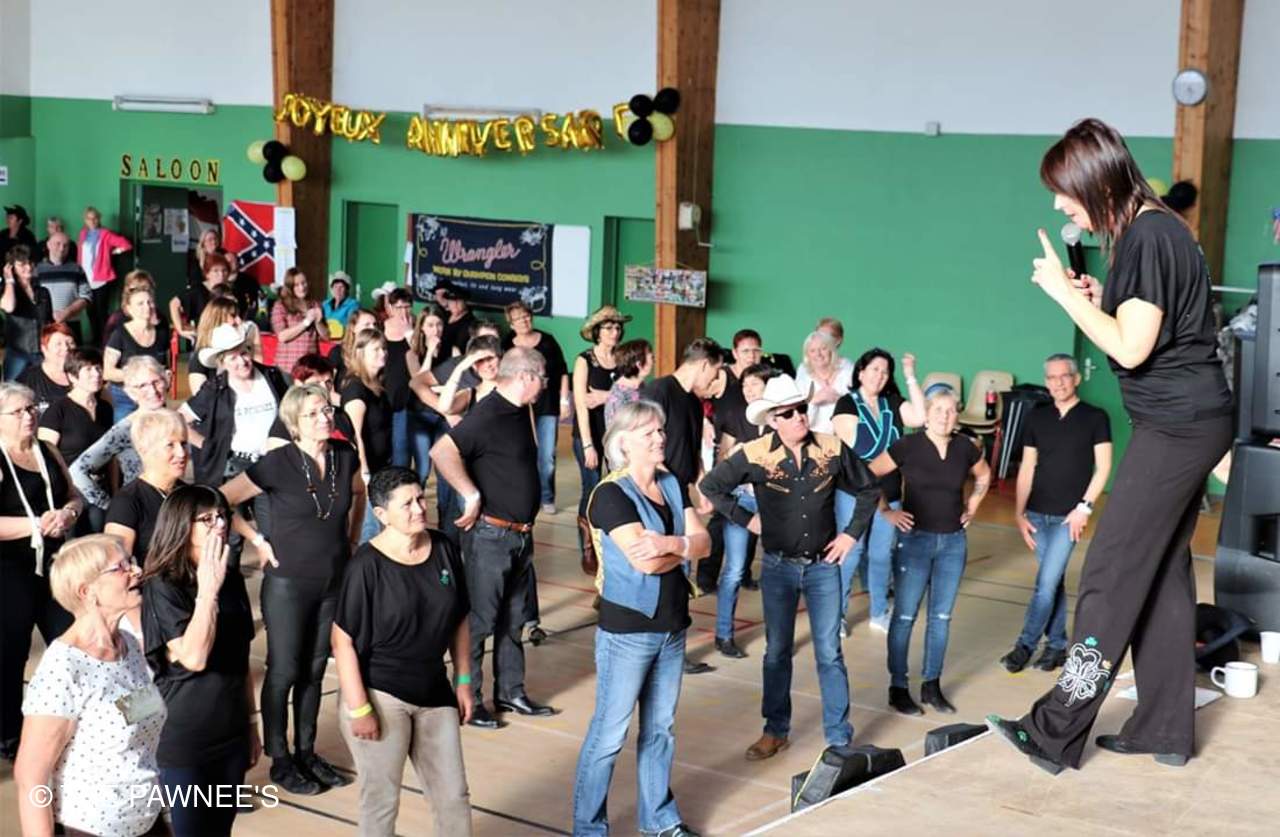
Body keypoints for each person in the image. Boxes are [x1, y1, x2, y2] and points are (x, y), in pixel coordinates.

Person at [987, 119, 1233, 774]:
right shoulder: (1153, 230)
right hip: (1189, 421)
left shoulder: (1148, 235)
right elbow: (1144, 325)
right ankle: (1164, 729)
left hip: (1176, 428)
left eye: (1064, 193)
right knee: (1162, 573)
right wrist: (1102, 298)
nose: (1058, 206)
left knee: (1109, 573)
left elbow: (1131, 347)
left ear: (1094, 184)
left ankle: (1053, 732)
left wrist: (1065, 296)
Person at [700, 374, 880, 761]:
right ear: (773, 420)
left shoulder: (831, 448)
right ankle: (775, 730)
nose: (798, 416)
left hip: (823, 567)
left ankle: (839, 738)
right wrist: (746, 520)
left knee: (829, 653)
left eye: (801, 409)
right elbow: (711, 486)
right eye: (788, 413)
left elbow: (869, 488)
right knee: (777, 651)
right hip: (778, 567)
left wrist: (850, 536)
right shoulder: (755, 453)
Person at [573, 400, 710, 837]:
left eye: (660, 430)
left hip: (672, 625)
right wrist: (684, 546)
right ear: (624, 443)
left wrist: (672, 544)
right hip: (628, 632)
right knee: (609, 735)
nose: (659, 438)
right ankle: (589, 829)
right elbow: (644, 564)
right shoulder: (610, 495)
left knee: (660, 730)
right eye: (648, 432)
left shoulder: (671, 482)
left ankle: (659, 821)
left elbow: (704, 542)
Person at [222, 384, 364, 795]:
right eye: (313, 414)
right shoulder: (277, 463)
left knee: (315, 670)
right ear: (294, 424)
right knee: (284, 670)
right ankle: (280, 759)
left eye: (326, 410)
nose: (324, 418)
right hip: (287, 584)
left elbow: (359, 492)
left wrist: (352, 537)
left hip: (333, 581)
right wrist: (257, 539)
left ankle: (306, 751)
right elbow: (222, 499)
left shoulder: (344, 455)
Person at [332, 467, 473, 835]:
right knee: (381, 802)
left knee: (453, 797)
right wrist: (359, 708)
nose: (419, 508)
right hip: (381, 694)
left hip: (435, 691)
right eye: (407, 504)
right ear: (382, 515)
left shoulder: (444, 548)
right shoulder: (366, 566)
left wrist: (463, 680)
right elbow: (342, 641)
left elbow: (459, 618)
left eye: (420, 498)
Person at [431, 347, 556, 728]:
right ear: (526, 377)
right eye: (543, 378)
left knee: (513, 618)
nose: (545, 385)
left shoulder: (520, 411)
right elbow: (442, 451)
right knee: (481, 622)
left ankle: (510, 691)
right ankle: (470, 700)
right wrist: (470, 494)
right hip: (491, 537)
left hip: (520, 535)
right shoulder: (488, 413)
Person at [14, 535, 168, 837]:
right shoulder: (63, 669)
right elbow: (31, 778)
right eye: (120, 567)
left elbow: (132, 721)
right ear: (87, 591)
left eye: (131, 562)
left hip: (146, 818)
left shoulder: (127, 646)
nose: (136, 571)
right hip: (94, 827)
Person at [861, 387, 990, 716]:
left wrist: (973, 505)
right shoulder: (909, 445)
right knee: (904, 616)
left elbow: (984, 475)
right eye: (938, 410)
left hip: (953, 543)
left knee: (941, 618)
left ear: (957, 415)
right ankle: (898, 687)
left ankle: (931, 685)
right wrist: (886, 511)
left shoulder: (965, 447)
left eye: (950, 410)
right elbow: (869, 474)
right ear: (927, 415)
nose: (945, 416)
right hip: (915, 541)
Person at [141, 484, 258, 836]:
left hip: (231, 731)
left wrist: (251, 725)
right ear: (181, 526)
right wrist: (208, 592)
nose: (219, 525)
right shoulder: (163, 585)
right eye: (206, 519)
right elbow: (193, 657)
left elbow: (241, 659)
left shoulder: (229, 576)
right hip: (186, 740)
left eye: (221, 516)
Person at [1000, 354, 1112, 673]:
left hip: (1069, 519)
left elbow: (1103, 468)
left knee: (1046, 583)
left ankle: (1025, 645)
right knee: (1053, 580)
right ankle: (1058, 646)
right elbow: (1027, 468)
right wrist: (1019, 514)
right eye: (1051, 377)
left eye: (1064, 376)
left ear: (1076, 379)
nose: (1058, 383)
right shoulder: (1037, 417)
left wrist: (1084, 508)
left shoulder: (1095, 417)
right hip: (1036, 515)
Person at [0, 382, 84, 761]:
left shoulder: (47, 450)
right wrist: (35, 525)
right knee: (10, 652)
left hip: (53, 566)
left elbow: (74, 496)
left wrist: (67, 514)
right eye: (18, 411)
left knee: (72, 643)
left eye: (32, 408)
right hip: (9, 568)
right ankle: (8, 734)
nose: (29, 416)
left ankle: (76, 721)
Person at [831, 348, 926, 636]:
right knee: (851, 551)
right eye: (874, 369)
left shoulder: (892, 402)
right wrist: (896, 454)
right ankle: (837, 616)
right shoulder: (847, 404)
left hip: (890, 491)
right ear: (860, 372)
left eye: (885, 371)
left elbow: (920, 417)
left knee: (881, 555)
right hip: (854, 492)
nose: (880, 376)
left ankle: (878, 612)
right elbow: (862, 451)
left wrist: (910, 376)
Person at [180, 323, 289, 560]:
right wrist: (208, 446)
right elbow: (180, 419)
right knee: (229, 539)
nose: (241, 361)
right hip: (232, 468)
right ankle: (227, 581)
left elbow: (292, 409)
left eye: (244, 352)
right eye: (233, 357)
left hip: (270, 465)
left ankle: (273, 579)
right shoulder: (215, 388)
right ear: (222, 361)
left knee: (273, 535)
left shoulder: (272, 376)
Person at [711, 363, 775, 658]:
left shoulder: (780, 417)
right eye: (745, 385)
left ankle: (777, 637)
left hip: (773, 502)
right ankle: (723, 635)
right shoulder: (736, 415)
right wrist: (732, 455)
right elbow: (723, 459)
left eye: (755, 385)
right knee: (735, 569)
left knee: (777, 570)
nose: (748, 390)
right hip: (741, 499)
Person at [69, 356, 170, 515]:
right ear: (131, 393)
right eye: (142, 386)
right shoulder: (126, 428)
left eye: (156, 382)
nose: (152, 390)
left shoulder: (175, 420)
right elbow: (77, 470)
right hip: (142, 511)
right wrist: (111, 507)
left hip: (172, 508)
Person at [573, 306, 628, 570]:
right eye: (608, 328)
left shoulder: (623, 359)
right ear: (597, 331)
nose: (614, 332)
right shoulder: (585, 360)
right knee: (591, 487)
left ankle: (612, 542)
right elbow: (582, 405)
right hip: (590, 434)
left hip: (616, 434)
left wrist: (606, 397)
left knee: (617, 486)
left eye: (617, 327)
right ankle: (588, 548)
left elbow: (633, 394)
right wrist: (588, 445)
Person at [503, 301, 570, 515]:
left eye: (527, 316)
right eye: (518, 318)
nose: (524, 321)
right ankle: (524, 494)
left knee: (547, 456)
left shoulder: (548, 341)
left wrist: (564, 401)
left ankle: (547, 496)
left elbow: (562, 371)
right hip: (519, 406)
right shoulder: (507, 343)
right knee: (520, 453)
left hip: (547, 405)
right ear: (511, 324)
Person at [39, 348, 114, 534]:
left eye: (98, 368)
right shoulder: (57, 411)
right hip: (73, 493)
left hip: (101, 489)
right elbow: (44, 457)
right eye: (88, 369)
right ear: (72, 377)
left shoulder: (105, 408)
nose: (96, 374)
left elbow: (111, 453)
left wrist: (116, 490)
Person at [105, 409, 191, 563]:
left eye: (183, 444)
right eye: (170, 445)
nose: (181, 453)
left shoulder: (189, 494)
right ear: (144, 450)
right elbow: (118, 564)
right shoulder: (127, 502)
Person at [342, 328, 393, 542]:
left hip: (381, 466)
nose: (383, 353)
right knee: (368, 530)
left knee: (378, 527)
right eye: (376, 349)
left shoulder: (377, 386)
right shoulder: (356, 388)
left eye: (384, 348)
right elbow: (356, 435)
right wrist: (364, 473)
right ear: (360, 352)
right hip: (366, 470)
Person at [104, 286, 170, 424]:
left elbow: (164, 366)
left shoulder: (162, 333)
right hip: (125, 398)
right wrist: (140, 378)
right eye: (140, 303)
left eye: (149, 302)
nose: (147, 306)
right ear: (129, 309)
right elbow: (107, 372)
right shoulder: (119, 334)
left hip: (154, 396)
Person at [405, 305, 455, 483]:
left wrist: (433, 388)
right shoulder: (412, 354)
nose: (436, 330)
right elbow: (418, 382)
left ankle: (445, 502)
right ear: (422, 328)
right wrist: (429, 353)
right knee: (423, 468)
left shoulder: (453, 350)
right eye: (431, 325)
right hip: (419, 414)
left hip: (444, 415)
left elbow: (457, 383)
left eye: (439, 324)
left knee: (445, 468)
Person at [77, 206, 133, 347]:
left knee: (101, 311)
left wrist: (114, 252)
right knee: (90, 311)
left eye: (95, 218)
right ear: (85, 220)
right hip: (85, 277)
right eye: (89, 218)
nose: (92, 221)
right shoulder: (83, 234)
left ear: (99, 219)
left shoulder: (105, 234)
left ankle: (106, 340)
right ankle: (95, 339)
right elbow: (81, 254)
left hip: (101, 278)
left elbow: (126, 245)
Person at [188, 295, 264, 394]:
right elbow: (200, 397)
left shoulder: (245, 342)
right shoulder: (199, 358)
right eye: (233, 316)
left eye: (239, 315)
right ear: (218, 319)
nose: (239, 321)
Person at [2, 245, 54, 382]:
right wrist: (9, 280)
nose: (28, 267)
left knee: (42, 388)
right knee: (12, 389)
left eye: (31, 263)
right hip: (17, 352)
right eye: (22, 264)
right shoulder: (7, 289)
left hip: (42, 351)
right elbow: (8, 307)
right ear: (11, 267)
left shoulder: (43, 291)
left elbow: (49, 321)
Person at [380, 288, 416, 471]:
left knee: (401, 446)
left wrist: (410, 333)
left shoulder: (416, 327)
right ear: (391, 308)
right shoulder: (381, 327)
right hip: (383, 390)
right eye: (399, 307)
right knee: (382, 442)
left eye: (407, 306)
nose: (403, 311)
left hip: (406, 393)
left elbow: (421, 356)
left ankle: (400, 480)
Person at [35, 231, 91, 345]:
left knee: (74, 355)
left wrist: (67, 312)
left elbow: (86, 296)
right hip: (45, 324)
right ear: (48, 245)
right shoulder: (36, 270)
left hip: (72, 324)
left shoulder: (77, 269)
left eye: (66, 245)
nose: (62, 249)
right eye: (58, 244)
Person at [271, 267, 327, 375]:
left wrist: (318, 321)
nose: (302, 287)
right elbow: (282, 336)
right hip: (288, 366)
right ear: (290, 287)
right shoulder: (280, 306)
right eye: (296, 285)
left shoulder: (315, 304)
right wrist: (306, 322)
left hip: (311, 365)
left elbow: (326, 336)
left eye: (304, 283)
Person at [169, 253, 232, 343]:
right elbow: (174, 303)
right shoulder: (198, 291)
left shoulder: (231, 291)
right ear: (207, 274)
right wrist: (180, 329)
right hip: (205, 340)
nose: (221, 275)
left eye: (224, 270)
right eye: (216, 271)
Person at [793, 330, 847, 433]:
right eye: (812, 351)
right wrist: (814, 400)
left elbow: (858, 407)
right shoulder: (802, 379)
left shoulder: (846, 371)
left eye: (823, 349)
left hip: (845, 434)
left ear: (831, 350)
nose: (818, 354)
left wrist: (841, 400)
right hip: (814, 436)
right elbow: (799, 419)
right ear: (807, 355)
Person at [20, 323, 76, 415]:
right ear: (44, 349)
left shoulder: (84, 374)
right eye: (58, 344)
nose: (66, 348)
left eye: (70, 343)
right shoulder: (28, 379)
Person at [604, 338, 653, 426]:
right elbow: (617, 432)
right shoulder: (618, 398)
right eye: (652, 358)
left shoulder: (641, 386)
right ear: (639, 365)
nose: (654, 362)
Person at [329, 307, 378, 388]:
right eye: (367, 324)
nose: (373, 328)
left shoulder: (379, 352)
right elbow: (329, 383)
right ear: (353, 328)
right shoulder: (338, 352)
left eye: (375, 324)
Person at [439, 282, 477, 355]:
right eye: (451, 301)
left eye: (458, 301)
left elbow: (460, 348)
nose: (454, 304)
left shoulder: (470, 323)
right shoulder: (444, 316)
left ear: (464, 302)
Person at [323, 271, 359, 336]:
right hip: (325, 336)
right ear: (332, 289)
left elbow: (352, 325)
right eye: (335, 287)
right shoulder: (325, 304)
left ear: (347, 289)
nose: (338, 290)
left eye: (341, 287)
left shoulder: (353, 304)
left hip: (343, 338)